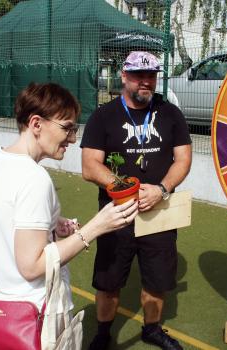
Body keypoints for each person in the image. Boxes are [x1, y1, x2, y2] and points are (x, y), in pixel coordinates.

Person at [0, 83, 139, 342]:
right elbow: (32, 266)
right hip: (37, 316)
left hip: (1, 309)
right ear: (36, 124)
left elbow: (3, 216)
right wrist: (96, 227)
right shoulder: (34, 178)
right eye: (67, 128)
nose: (73, 138)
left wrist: (50, 225)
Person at [81, 51, 192, 350]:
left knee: (158, 281)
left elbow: (183, 159)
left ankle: (152, 329)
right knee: (108, 282)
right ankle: (103, 332)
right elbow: (90, 165)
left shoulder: (170, 113)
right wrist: (125, 188)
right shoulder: (103, 116)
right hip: (116, 214)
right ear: (123, 76)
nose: (146, 81)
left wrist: (162, 189)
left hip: (159, 213)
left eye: (152, 75)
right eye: (139, 75)